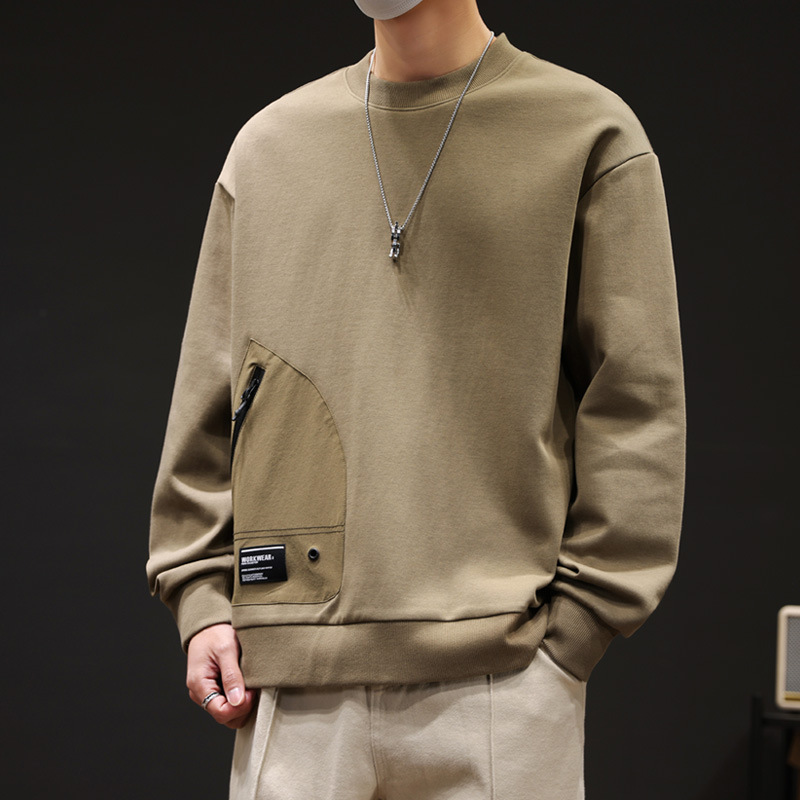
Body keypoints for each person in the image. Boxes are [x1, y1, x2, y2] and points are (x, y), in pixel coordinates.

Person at [147, 0, 686, 797]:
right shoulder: (269, 149)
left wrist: (577, 627)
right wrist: (201, 596)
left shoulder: (585, 133)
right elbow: (211, 397)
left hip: (503, 681)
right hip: (293, 679)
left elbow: (637, 404)